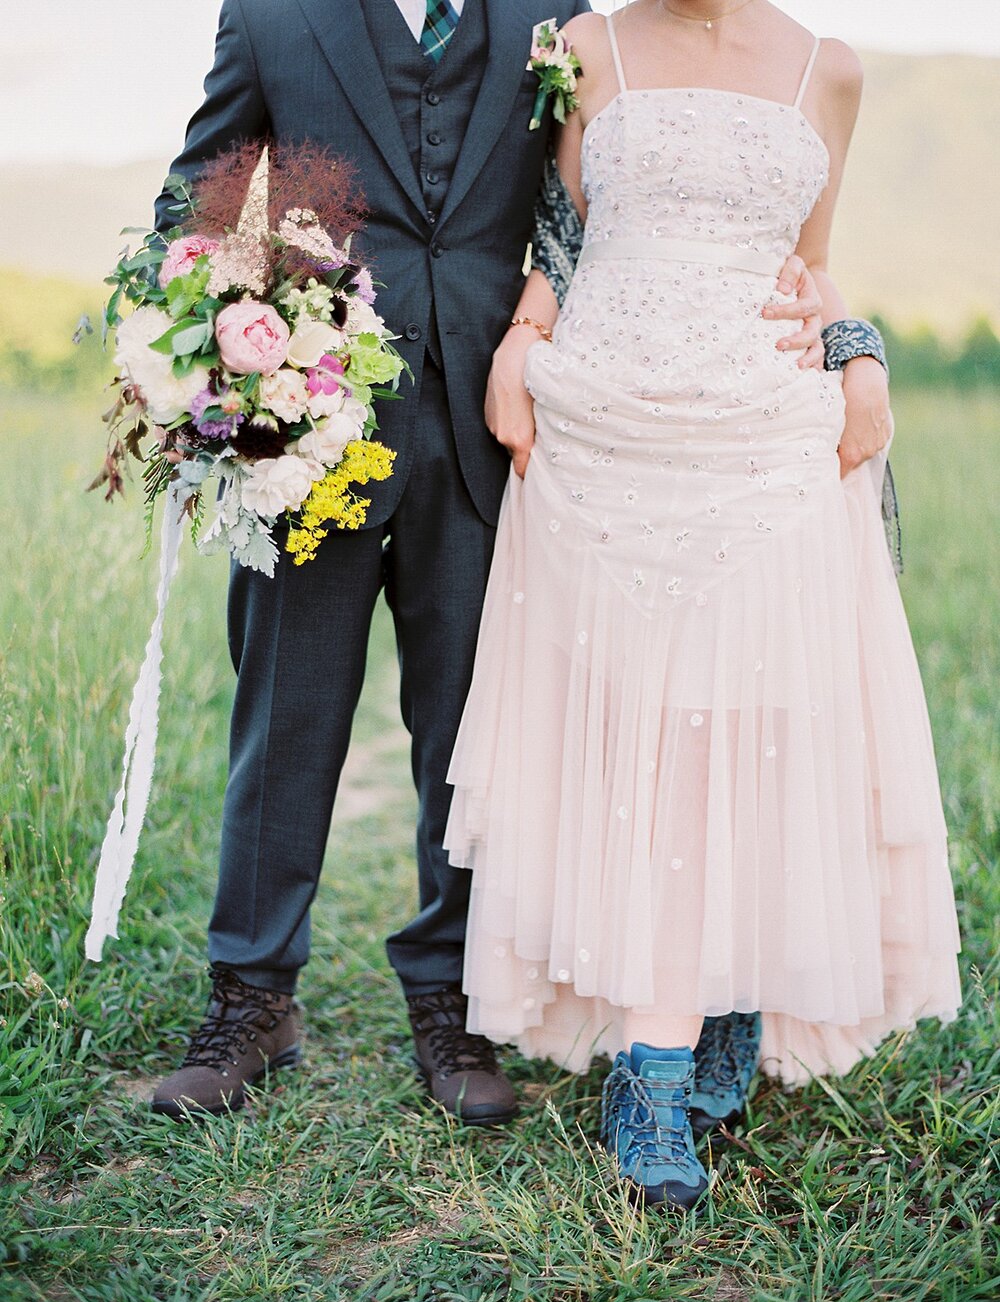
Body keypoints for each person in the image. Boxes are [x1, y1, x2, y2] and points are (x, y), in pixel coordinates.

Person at [148, 0, 864, 1128]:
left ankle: (452, 1003)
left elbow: (591, 217)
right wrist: (210, 360)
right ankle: (251, 998)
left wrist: (840, 337)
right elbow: (199, 201)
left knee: (467, 726)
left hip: (504, 427)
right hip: (308, 426)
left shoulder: (553, 21)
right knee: (282, 713)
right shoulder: (274, 15)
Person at [445, 0, 961, 1208]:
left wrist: (860, 350)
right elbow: (560, 234)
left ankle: (726, 984)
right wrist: (523, 337)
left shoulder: (829, 69)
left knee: (748, 718)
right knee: (645, 736)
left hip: (762, 429)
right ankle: (654, 1059)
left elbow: (811, 264)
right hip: (607, 431)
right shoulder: (583, 48)